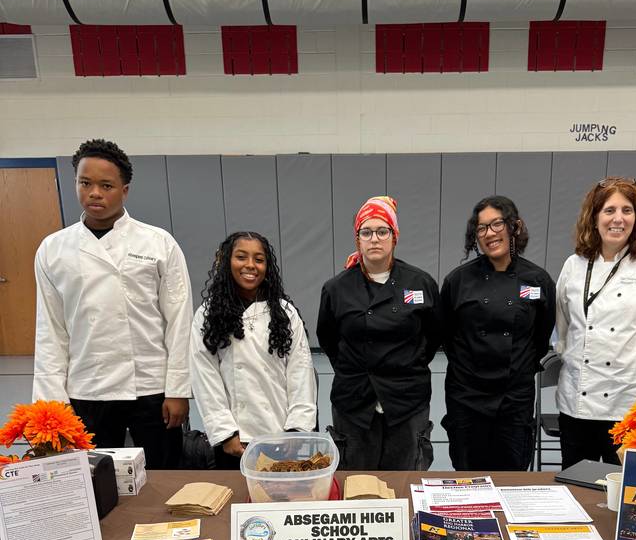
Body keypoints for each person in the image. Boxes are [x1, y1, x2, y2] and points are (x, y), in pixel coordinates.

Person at [32, 139, 193, 469]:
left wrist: (178, 389)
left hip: (151, 387)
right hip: (88, 388)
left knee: (164, 474)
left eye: (106, 185)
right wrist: (50, 404)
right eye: (85, 183)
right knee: (94, 479)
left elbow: (179, 321)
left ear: (125, 190)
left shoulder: (158, 243)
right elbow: (51, 331)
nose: (94, 193)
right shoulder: (53, 249)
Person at [555, 177, 636, 469]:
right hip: (578, 398)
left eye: (627, 210)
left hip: (631, 397)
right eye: (609, 210)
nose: (618, 219)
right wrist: (564, 348)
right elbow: (563, 318)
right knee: (577, 479)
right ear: (594, 217)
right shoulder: (574, 264)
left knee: (627, 486)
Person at [316, 195, 440, 470]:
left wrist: (405, 365)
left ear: (394, 237)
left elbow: (432, 337)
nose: (374, 239)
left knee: (405, 481)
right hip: (355, 401)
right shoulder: (337, 289)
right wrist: (359, 368)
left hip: (407, 399)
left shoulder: (420, 283)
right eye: (366, 232)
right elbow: (328, 339)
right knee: (356, 483)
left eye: (382, 231)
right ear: (357, 239)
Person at [440, 195, 556, 471]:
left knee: (513, 473)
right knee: (467, 474)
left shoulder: (538, 280)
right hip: (466, 396)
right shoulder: (458, 281)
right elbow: (446, 335)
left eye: (496, 224)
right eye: (481, 228)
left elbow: (541, 337)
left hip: (514, 397)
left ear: (514, 226)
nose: (489, 233)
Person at [190, 231, 316, 469]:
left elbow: (301, 373)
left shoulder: (285, 313)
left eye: (259, 259)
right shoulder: (207, 315)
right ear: (226, 261)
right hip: (236, 440)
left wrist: (296, 429)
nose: (250, 265)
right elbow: (205, 378)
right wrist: (226, 434)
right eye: (241, 257)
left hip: (281, 434)